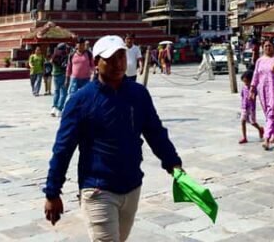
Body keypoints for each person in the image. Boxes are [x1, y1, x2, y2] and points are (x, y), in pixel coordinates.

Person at [43, 35, 184, 241]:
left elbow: (155, 132)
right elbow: (63, 149)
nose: (118, 64)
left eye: (121, 57)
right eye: (110, 59)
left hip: (132, 186)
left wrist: (174, 165)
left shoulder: (139, 94)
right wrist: (52, 192)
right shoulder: (80, 101)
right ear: (96, 63)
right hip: (98, 188)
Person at [250, 39, 274, 150]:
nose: (268, 48)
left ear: (273, 47)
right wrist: (252, 89)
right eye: (265, 46)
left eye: (269, 46)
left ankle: (266, 139)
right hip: (263, 90)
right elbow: (255, 75)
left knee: (271, 113)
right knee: (267, 112)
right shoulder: (259, 60)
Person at [238, 70, 264, 144]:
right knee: (242, 121)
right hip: (244, 107)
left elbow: (254, 96)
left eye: (247, 81)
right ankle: (244, 137)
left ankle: (260, 129)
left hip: (251, 108)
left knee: (252, 122)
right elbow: (242, 96)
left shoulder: (254, 89)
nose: (245, 83)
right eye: (244, 81)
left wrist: (252, 97)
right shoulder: (244, 88)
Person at [50, 43, 69, 117]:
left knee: (56, 91)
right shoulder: (64, 55)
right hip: (62, 75)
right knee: (63, 93)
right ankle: (59, 109)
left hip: (55, 75)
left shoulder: (54, 55)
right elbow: (64, 66)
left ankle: (54, 108)